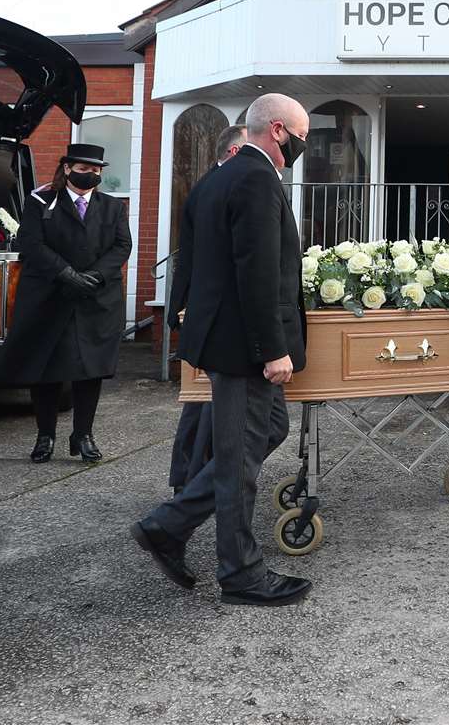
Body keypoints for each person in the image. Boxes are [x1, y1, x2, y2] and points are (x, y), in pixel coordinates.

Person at [132, 93, 312, 607]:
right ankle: (240, 572)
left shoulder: (216, 178)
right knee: (237, 461)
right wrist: (272, 349)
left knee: (269, 429)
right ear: (277, 131)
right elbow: (256, 271)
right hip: (243, 344)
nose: (302, 144)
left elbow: (197, 263)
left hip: (222, 337)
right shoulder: (256, 178)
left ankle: (170, 524)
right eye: (300, 135)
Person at [0, 143, 133, 463]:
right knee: (47, 369)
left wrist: (94, 276)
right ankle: (45, 436)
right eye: (84, 170)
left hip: (96, 299)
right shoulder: (41, 201)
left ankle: (83, 435)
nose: (90, 175)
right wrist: (66, 273)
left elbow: (122, 246)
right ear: (67, 168)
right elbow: (31, 243)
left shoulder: (112, 207)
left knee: (90, 370)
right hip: (49, 297)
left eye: (96, 171)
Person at [167, 123, 256, 495]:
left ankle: (187, 477)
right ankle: (191, 481)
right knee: (204, 405)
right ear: (235, 153)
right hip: (210, 313)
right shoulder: (217, 188)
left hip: (201, 309)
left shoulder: (207, 186)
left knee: (202, 403)